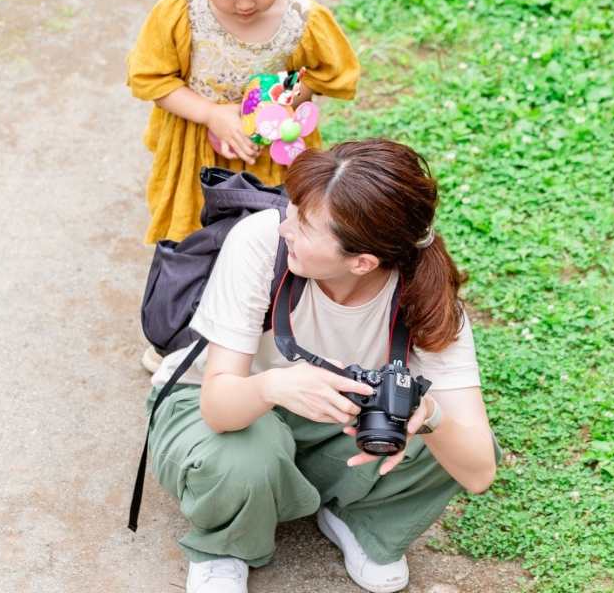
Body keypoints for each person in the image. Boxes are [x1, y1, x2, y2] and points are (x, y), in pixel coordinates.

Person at [145, 139, 499, 593]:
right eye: (293, 207)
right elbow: (217, 405)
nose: (284, 226)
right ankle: (227, 544)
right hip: (220, 402)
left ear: (362, 261)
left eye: (305, 224)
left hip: (333, 422)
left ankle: (362, 519)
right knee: (246, 454)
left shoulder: (423, 298)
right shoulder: (260, 241)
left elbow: (478, 470)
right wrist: (272, 386)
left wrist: (426, 416)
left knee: (447, 434)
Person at [127, 0, 360, 247]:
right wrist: (211, 114)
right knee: (194, 233)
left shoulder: (302, 18)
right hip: (197, 150)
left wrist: (280, 103)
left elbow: (330, 74)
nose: (245, 4)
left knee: (267, 233)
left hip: (267, 156)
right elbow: (153, 81)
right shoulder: (183, 7)